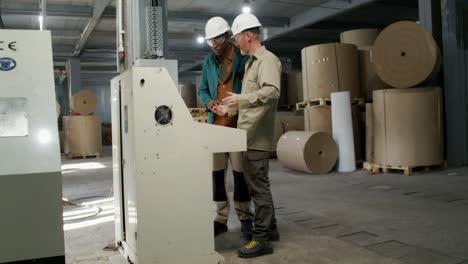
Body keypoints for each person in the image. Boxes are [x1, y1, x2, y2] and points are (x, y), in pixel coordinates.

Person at [222, 13, 282, 258]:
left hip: (257, 136)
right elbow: (250, 99)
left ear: (249, 36)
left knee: (259, 189)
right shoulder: (250, 63)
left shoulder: (267, 60)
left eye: (237, 39)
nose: (236, 44)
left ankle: (262, 239)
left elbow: (272, 91)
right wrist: (230, 108)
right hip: (247, 134)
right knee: (257, 185)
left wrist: (241, 99)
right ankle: (272, 228)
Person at [198, 16, 254, 240]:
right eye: (210, 42)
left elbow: (250, 89)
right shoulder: (208, 62)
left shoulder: (242, 57)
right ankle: (220, 219)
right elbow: (202, 90)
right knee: (217, 176)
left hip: (237, 126)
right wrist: (210, 103)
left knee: (241, 176)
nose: (214, 46)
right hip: (216, 127)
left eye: (217, 41)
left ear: (227, 37)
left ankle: (245, 218)